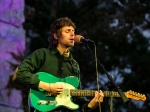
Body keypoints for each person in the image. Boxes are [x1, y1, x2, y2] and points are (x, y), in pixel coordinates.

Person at [13, 17, 104, 112]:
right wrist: (47, 87)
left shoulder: (74, 65)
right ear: (56, 36)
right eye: (68, 31)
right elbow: (20, 74)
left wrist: (89, 105)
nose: (72, 33)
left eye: (73, 31)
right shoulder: (42, 54)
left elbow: (76, 98)